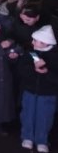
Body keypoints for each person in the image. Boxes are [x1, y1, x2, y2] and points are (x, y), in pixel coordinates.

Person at [18, 25, 57, 153]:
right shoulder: (31, 53)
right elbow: (22, 69)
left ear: (45, 42)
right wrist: (32, 69)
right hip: (29, 90)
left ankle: (42, 140)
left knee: (44, 116)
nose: (32, 42)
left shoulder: (54, 56)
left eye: (35, 40)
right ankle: (27, 136)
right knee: (28, 113)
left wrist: (46, 72)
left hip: (48, 93)